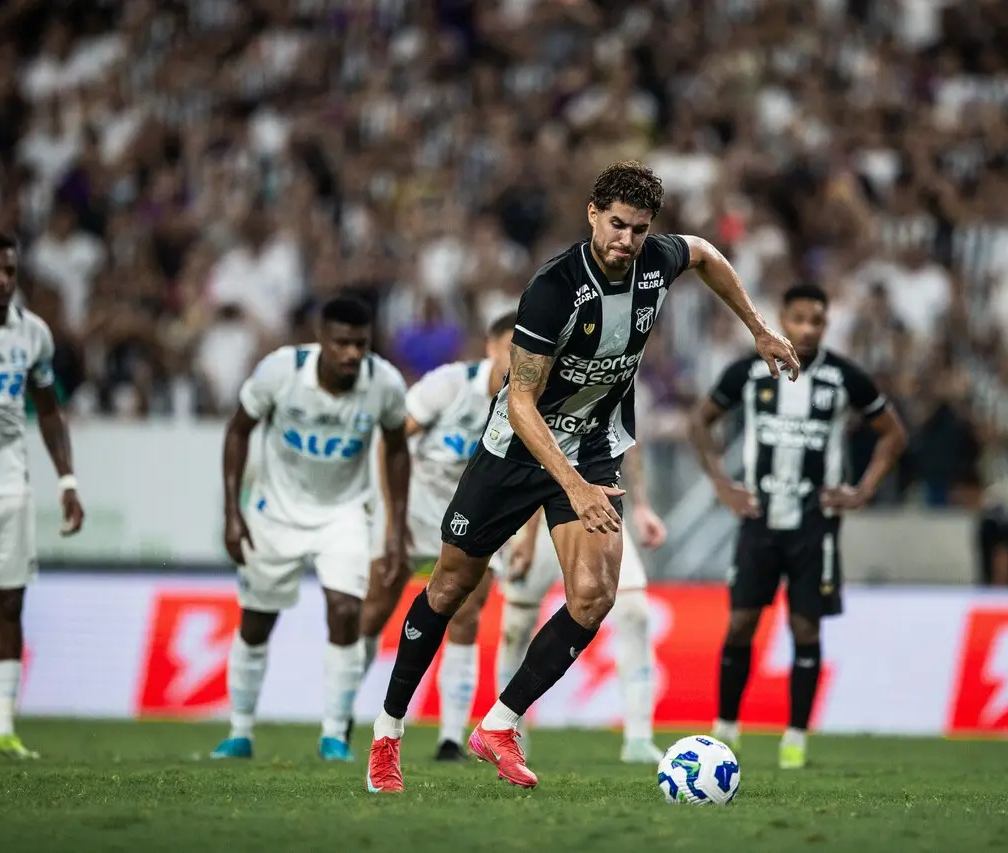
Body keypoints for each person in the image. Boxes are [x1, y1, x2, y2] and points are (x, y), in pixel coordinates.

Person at [365, 159, 800, 793]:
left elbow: (705, 254)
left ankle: (499, 725)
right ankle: (386, 735)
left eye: (639, 229)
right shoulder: (554, 288)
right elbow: (519, 400)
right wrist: (571, 485)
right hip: (516, 451)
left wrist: (758, 329)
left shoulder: (657, 260)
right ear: (592, 215)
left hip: (594, 444)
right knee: (449, 588)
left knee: (595, 596)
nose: (626, 240)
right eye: (617, 225)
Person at [689, 283, 907, 770]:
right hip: (759, 518)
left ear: (826, 325)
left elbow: (893, 434)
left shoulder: (844, 377)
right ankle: (726, 728)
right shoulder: (748, 371)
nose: (808, 329)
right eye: (799, 319)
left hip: (815, 525)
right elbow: (699, 422)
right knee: (742, 621)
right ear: (781, 319)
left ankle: (795, 738)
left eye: (817, 321)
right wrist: (723, 486)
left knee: (804, 627)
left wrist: (862, 489)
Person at [210, 295, 410, 763]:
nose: (351, 354)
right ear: (320, 339)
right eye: (341, 343)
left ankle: (334, 733)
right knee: (257, 620)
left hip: (343, 513)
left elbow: (398, 448)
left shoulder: (384, 383)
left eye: (360, 344)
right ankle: (240, 732)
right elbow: (238, 430)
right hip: (275, 512)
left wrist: (395, 528)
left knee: (345, 611)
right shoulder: (280, 371)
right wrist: (232, 513)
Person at [357, 312, 516, 761]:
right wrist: (392, 520)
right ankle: (340, 717)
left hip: (475, 518)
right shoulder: (447, 385)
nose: (518, 358)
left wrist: (519, 540)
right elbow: (392, 442)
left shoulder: (530, 403)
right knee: (375, 610)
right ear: (490, 347)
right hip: (416, 508)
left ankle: (450, 737)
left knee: (467, 615)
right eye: (510, 348)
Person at [0, 232, 85, 759]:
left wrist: (67, 480)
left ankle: (1, 730)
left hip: (7, 481)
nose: (3, 280)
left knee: (8, 603)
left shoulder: (33, 335)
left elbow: (49, 410)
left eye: (9, 271)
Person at [499, 439, 667, 764]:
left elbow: (628, 439)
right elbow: (531, 445)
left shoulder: (621, 385)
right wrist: (527, 535)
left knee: (634, 612)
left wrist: (642, 505)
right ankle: (506, 733)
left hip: (599, 507)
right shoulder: (539, 386)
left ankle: (639, 739)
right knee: (516, 626)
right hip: (542, 506)